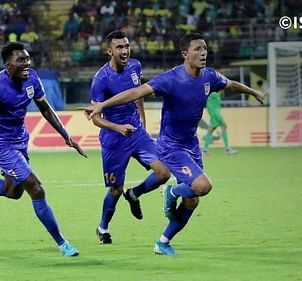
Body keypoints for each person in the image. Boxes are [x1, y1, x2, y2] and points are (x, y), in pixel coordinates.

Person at [80, 33, 266, 256]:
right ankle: (104, 226)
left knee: (182, 189)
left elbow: (230, 84)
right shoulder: (160, 79)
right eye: (197, 49)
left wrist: (253, 91)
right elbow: (135, 93)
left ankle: (157, 231)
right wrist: (105, 109)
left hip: (159, 138)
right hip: (129, 141)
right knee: (117, 189)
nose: (203, 53)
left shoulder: (205, 76)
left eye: (205, 48)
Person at [0, 42, 87, 257]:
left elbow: (45, 108)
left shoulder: (32, 78)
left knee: (13, 191)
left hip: (20, 139)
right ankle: (63, 244)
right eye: (21, 60)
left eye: (28, 59)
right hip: (0, 144)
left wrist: (66, 136)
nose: (26, 64)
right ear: (7, 64)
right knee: (36, 187)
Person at [90, 30, 170, 244]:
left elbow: (139, 93)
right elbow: (95, 118)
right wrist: (117, 127)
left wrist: (142, 120)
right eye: (119, 47)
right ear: (110, 51)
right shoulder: (100, 80)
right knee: (115, 190)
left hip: (136, 133)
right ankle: (103, 228)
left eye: (126, 46)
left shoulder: (135, 66)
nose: (125, 50)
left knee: (163, 172)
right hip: (114, 139)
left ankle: (134, 194)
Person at [202, 90, 238, 155]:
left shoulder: (214, 92)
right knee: (223, 126)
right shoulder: (213, 93)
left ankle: (205, 150)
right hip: (215, 114)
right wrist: (216, 116)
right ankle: (227, 149)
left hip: (214, 113)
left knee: (211, 130)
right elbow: (210, 105)